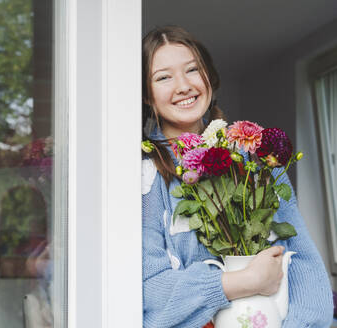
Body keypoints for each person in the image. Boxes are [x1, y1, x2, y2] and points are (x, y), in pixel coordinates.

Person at [141, 25, 333, 327]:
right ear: (146, 96)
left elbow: (303, 261)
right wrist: (243, 281)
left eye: (192, 70)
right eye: (163, 77)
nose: (183, 86)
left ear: (209, 77)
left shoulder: (255, 159)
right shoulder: (144, 180)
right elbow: (148, 296)